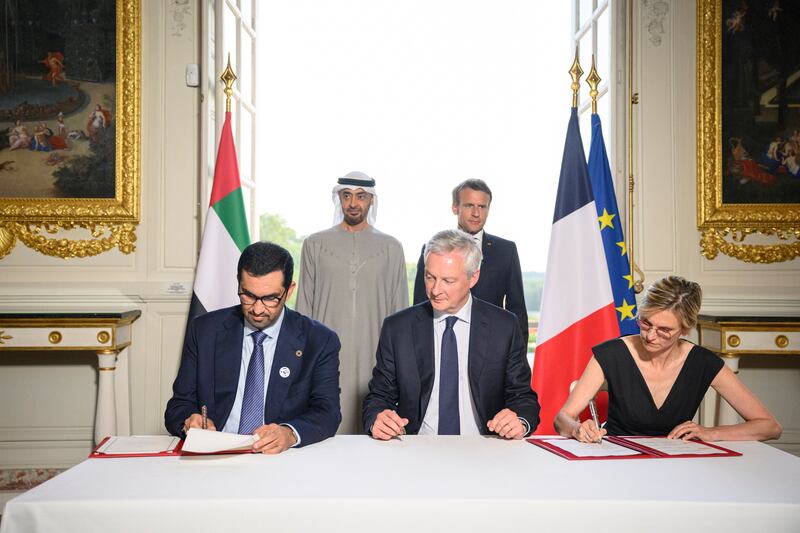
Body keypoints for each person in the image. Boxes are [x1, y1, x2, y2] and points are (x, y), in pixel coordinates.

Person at [554, 276, 782, 443]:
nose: (650, 336)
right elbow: (563, 418)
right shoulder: (611, 353)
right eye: (645, 323)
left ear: (685, 329)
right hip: (618, 461)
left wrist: (710, 433)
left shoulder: (702, 362)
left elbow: (770, 427)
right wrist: (577, 429)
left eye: (664, 330)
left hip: (679, 463)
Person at [165, 242, 342, 453]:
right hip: (216, 455)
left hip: (280, 459)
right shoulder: (205, 331)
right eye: (248, 295)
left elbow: (328, 413)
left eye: (270, 298)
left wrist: (289, 433)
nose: (257, 309)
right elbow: (177, 406)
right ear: (238, 285)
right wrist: (189, 421)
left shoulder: (319, 340)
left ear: (289, 291)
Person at [363, 229, 540, 439]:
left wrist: (519, 421)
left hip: (484, 447)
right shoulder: (398, 328)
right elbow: (378, 396)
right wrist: (377, 417)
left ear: (473, 277)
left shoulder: (504, 326)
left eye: (448, 281)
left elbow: (523, 398)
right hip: (416, 448)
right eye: (430, 277)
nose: (435, 290)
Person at [297, 171, 408, 434]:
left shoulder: (392, 247)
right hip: (325, 357)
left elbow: (401, 310)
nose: (353, 203)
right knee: (324, 431)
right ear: (339, 198)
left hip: (376, 356)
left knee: (374, 431)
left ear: (372, 201)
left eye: (361, 196)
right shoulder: (315, 244)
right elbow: (303, 309)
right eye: (347, 196)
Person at [412, 179, 528, 345]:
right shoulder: (433, 250)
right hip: (444, 342)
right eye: (469, 206)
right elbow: (420, 307)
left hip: (492, 346)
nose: (476, 213)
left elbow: (517, 310)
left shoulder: (506, 251)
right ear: (455, 208)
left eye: (482, 206)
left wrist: (518, 356)